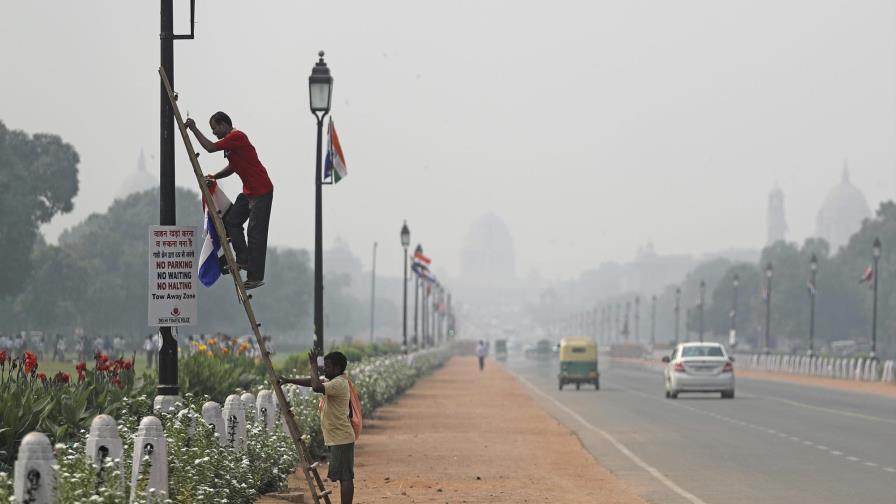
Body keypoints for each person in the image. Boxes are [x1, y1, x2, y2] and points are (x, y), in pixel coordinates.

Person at [184, 112, 274, 290]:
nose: (214, 132)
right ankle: (243, 260)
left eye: (215, 128)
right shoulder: (232, 144)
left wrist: (193, 129)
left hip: (261, 191)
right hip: (248, 192)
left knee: (255, 234)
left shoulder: (237, 137)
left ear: (224, 124)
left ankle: (255, 276)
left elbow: (210, 148)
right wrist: (214, 177)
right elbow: (233, 167)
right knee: (232, 221)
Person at [280, 350, 355, 504]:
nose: (324, 369)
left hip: (341, 438)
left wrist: (313, 364)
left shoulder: (338, 383)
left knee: (345, 477)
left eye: (327, 366)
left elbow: (315, 386)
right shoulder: (336, 381)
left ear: (337, 368)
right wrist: (288, 380)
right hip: (338, 437)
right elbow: (312, 381)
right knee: (343, 476)